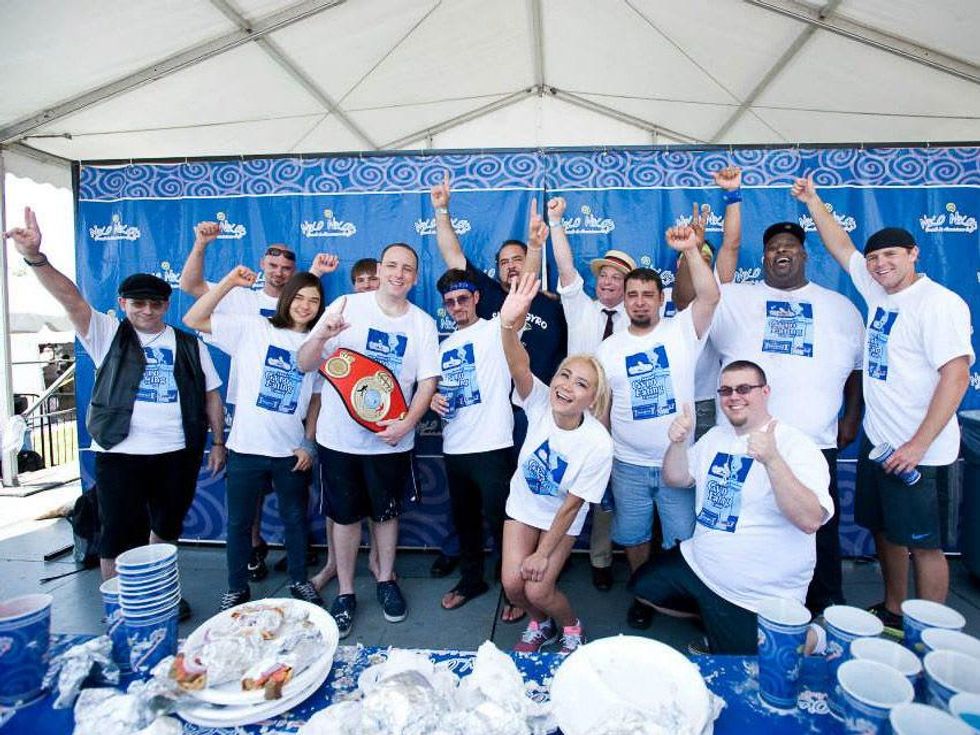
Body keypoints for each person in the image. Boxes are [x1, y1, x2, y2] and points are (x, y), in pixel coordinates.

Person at [5, 208, 225, 621]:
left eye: (155, 303)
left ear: (166, 304)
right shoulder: (105, 332)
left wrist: (217, 442)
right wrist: (36, 257)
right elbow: (70, 297)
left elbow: (212, 395)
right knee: (117, 534)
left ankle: (159, 595)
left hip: (178, 452)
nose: (147, 310)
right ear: (123, 303)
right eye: (138, 302)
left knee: (166, 530)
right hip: (120, 452)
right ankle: (119, 604)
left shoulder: (190, 343)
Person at [792, 175, 973, 632]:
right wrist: (813, 200)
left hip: (921, 451)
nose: (879, 264)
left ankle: (929, 631)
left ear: (914, 254)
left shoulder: (938, 303)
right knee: (885, 532)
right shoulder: (879, 290)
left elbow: (955, 377)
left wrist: (917, 444)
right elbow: (842, 247)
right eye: (874, 258)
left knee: (925, 544)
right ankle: (894, 611)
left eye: (890, 255)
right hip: (881, 442)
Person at [708, 197, 865, 615]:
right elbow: (696, 298)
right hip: (750, 442)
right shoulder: (736, 298)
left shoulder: (840, 307)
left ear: (804, 254)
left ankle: (826, 601)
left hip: (815, 442)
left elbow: (857, 371)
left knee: (819, 528)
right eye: (773, 247)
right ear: (763, 257)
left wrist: (851, 418)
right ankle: (742, 601)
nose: (782, 251)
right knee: (749, 524)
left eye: (790, 246)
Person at [630, 361, 833, 654]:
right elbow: (677, 478)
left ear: (765, 392)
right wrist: (677, 442)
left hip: (755, 593)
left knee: (761, 659)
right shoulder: (716, 437)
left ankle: (814, 635)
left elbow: (811, 520)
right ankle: (714, 618)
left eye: (743, 388)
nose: (733, 396)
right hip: (699, 566)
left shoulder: (796, 445)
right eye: (725, 390)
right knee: (643, 588)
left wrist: (773, 461)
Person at [180, 225, 339, 580]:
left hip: (290, 441)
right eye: (273, 265)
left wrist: (308, 443)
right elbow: (191, 311)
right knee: (240, 520)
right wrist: (227, 280)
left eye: (312, 300)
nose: (303, 303)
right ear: (263, 265)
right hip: (248, 433)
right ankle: (239, 582)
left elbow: (315, 396)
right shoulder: (250, 318)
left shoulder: (317, 342)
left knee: (295, 517)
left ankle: (299, 581)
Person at [297, 243, 439, 638]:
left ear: (415, 276)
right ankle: (345, 592)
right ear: (379, 269)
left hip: (392, 442)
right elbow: (305, 363)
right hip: (339, 440)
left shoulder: (423, 323)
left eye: (407, 268)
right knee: (344, 518)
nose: (398, 273)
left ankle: (385, 580)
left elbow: (428, 383)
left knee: (386, 514)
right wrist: (320, 334)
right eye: (392, 265)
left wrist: (407, 423)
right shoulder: (346, 305)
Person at [596, 224, 720, 630]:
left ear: (662, 299)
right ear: (624, 301)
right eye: (632, 295)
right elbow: (603, 408)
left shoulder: (682, 331)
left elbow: (710, 295)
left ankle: (682, 597)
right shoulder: (608, 349)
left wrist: (691, 251)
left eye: (648, 295)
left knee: (681, 535)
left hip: (677, 464)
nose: (640, 302)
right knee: (633, 535)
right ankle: (643, 593)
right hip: (627, 463)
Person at [497, 271, 613, 655]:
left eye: (581, 384)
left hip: (561, 516)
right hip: (524, 507)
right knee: (514, 587)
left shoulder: (598, 443)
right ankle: (540, 623)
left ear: (592, 399)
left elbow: (572, 506)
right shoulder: (541, 400)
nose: (566, 386)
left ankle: (570, 625)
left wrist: (543, 553)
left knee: (538, 586)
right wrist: (508, 325)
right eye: (565, 375)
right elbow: (518, 365)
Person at [544, 195, 635, 592]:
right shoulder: (580, 306)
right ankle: (550, 554)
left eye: (618, 277)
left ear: (629, 286)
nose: (609, 281)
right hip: (572, 410)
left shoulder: (642, 321)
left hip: (621, 411)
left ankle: (600, 558)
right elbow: (565, 266)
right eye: (605, 274)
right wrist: (556, 222)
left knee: (606, 490)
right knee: (558, 484)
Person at [429, 268, 518, 618]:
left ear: (477, 298)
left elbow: (518, 307)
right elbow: (433, 387)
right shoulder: (444, 345)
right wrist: (434, 397)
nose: (456, 306)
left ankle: (512, 589)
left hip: (493, 444)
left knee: (502, 523)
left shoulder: (496, 330)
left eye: (462, 299)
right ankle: (471, 580)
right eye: (450, 302)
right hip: (454, 447)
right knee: (465, 522)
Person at [430, 173, 567, 384]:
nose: (510, 266)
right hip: (498, 401)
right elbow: (453, 255)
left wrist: (534, 246)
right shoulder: (486, 293)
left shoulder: (554, 306)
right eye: (504, 262)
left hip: (542, 404)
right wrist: (440, 210)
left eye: (517, 260)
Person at [309, 257, 386, 592]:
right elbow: (309, 354)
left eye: (373, 279)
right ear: (353, 285)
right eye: (361, 280)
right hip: (338, 432)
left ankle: (376, 560)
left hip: (382, 433)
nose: (368, 285)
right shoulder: (339, 312)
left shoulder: (401, 318)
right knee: (339, 507)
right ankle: (332, 566)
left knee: (378, 505)